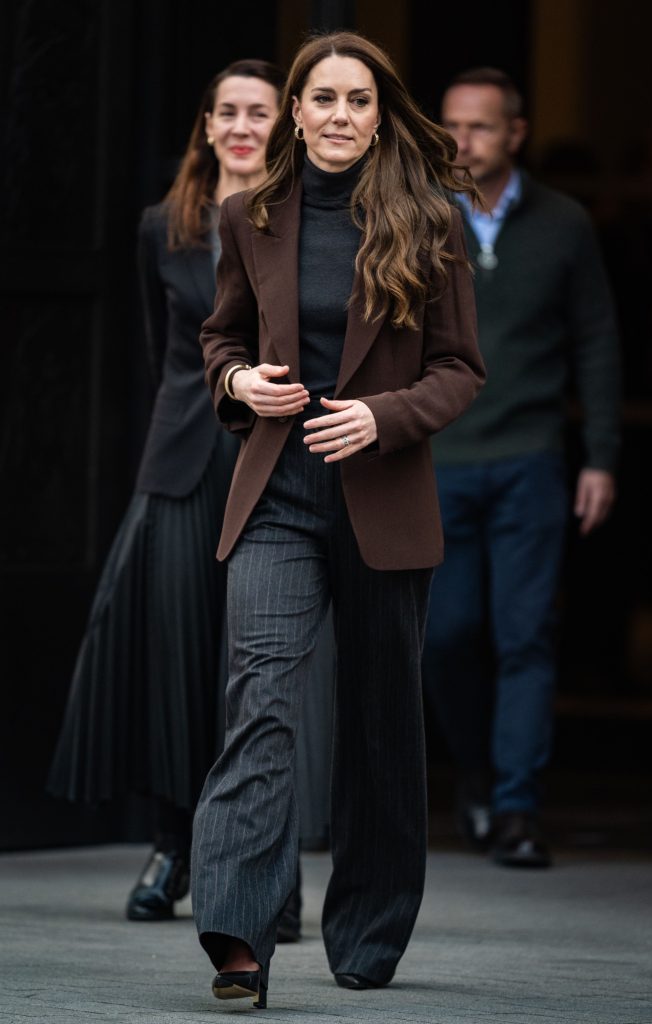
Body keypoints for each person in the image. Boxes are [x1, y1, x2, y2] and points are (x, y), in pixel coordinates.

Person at [190, 30, 485, 1008]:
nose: (338, 116)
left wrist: (381, 416)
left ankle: (366, 926)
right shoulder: (249, 214)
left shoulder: (430, 219)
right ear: (296, 111)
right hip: (275, 497)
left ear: (380, 113)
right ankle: (237, 931)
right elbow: (220, 337)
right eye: (322, 99)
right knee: (259, 702)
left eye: (357, 101)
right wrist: (240, 382)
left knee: (377, 725)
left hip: (382, 500)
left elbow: (458, 369)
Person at [46, 59, 332, 930]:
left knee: (256, 677)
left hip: (273, 462)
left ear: (277, 125)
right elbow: (163, 349)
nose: (242, 127)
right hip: (181, 465)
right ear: (205, 128)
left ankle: (260, 876)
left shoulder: (301, 222)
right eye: (226, 114)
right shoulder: (156, 230)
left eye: (257, 112)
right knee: (174, 664)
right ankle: (173, 847)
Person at [423, 68, 621, 868]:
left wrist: (600, 456)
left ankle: (514, 809)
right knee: (445, 634)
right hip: (437, 458)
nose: (459, 142)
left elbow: (596, 342)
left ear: (515, 132)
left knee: (525, 636)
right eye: (449, 126)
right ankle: (473, 772)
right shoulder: (422, 217)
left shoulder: (564, 223)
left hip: (531, 459)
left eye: (476, 127)